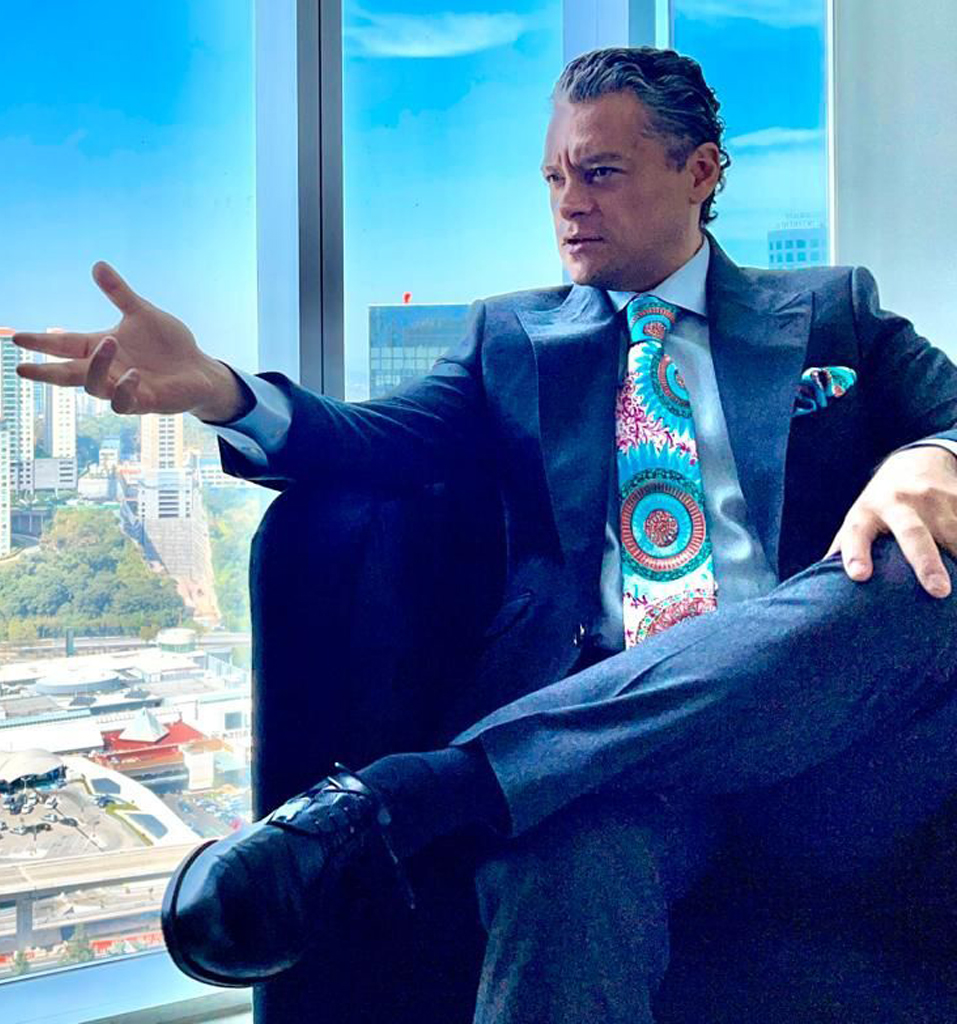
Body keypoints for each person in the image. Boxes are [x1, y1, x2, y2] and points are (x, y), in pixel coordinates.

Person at [15, 46, 957, 1023]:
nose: (569, 204)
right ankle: (487, 782)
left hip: (824, 748)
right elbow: (372, 441)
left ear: (700, 171)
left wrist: (934, 453)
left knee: (909, 573)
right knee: (562, 869)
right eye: (554, 178)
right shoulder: (513, 339)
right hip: (608, 766)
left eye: (600, 172)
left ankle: (427, 791)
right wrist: (219, 390)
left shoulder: (833, 313)